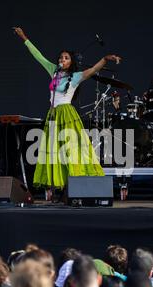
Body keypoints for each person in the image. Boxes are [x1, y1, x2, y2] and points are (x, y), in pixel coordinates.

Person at [13, 27, 122, 201]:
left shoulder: (76, 76)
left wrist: (105, 58)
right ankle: (59, 187)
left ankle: (73, 188)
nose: (62, 59)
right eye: (61, 57)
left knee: (70, 151)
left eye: (66, 57)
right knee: (54, 152)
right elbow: (38, 56)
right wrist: (24, 37)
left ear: (71, 62)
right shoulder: (53, 71)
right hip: (53, 115)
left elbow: (93, 70)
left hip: (67, 114)